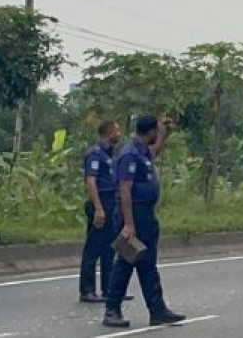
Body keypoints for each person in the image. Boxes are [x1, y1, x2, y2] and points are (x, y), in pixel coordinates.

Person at [102, 115, 186, 328]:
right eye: (156, 131)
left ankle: (157, 310)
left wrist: (165, 133)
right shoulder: (129, 154)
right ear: (149, 132)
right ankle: (112, 309)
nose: (157, 135)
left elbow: (155, 150)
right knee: (125, 262)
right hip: (132, 214)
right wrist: (129, 225)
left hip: (146, 215)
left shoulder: (142, 152)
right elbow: (124, 190)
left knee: (148, 263)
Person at [78, 120, 122, 304]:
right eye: (117, 130)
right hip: (101, 201)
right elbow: (90, 181)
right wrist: (98, 208)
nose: (119, 133)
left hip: (111, 202)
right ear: (109, 132)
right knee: (93, 248)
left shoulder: (109, 154)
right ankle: (87, 290)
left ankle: (108, 288)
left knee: (109, 248)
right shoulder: (95, 154)